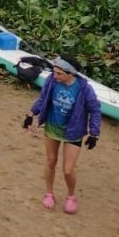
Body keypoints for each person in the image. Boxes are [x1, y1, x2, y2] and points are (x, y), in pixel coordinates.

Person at [24, 56, 101, 214]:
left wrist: (94, 133)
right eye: (54, 72)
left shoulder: (84, 89)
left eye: (59, 73)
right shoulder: (52, 81)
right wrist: (31, 113)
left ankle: (71, 196)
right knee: (51, 161)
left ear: (70, 73)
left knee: (68, 170)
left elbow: (95, 110)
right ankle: (49, 192)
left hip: (73, 131)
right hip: (52, 127)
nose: (55, 76)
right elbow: (43, 99)